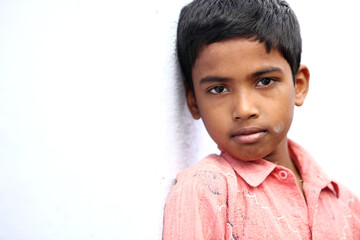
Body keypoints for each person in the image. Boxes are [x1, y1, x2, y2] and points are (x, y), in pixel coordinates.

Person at [163, 0, 360, 239]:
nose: (244, 110)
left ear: (298, 86)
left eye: (264, 81)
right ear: (193, 101)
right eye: (218, 89)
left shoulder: (345, 205)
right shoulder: (204, 192)